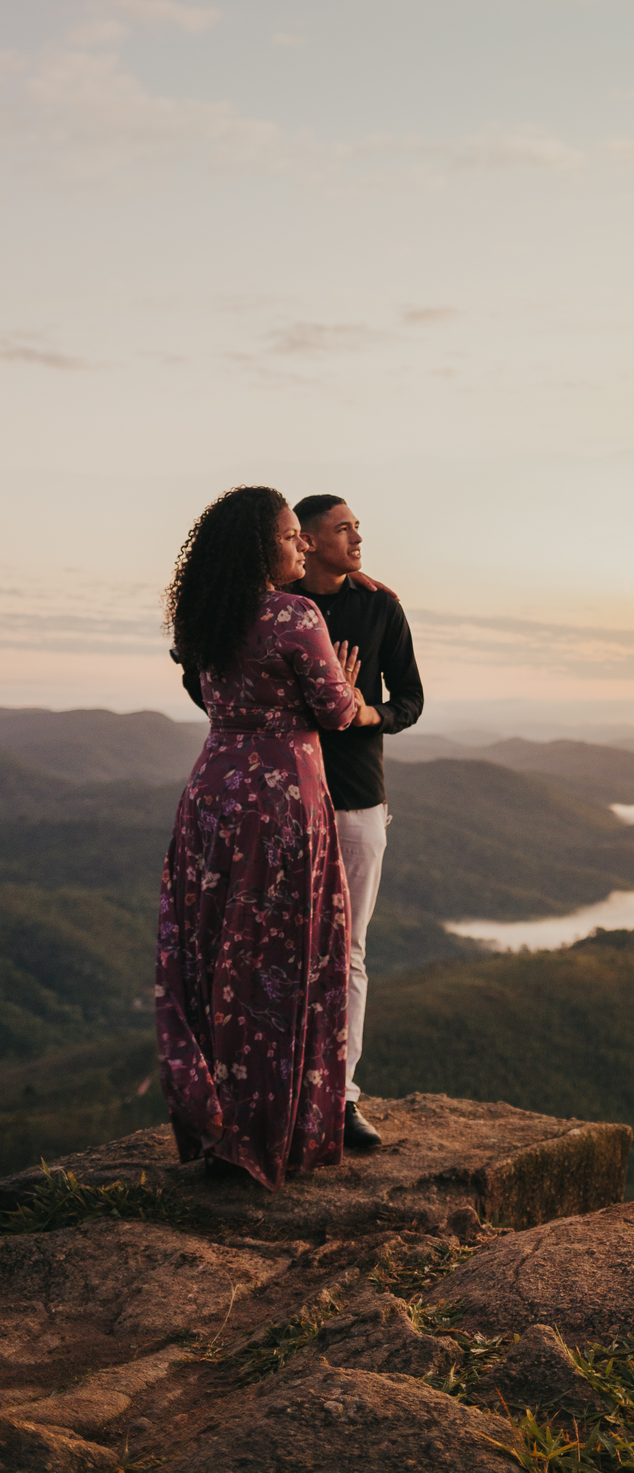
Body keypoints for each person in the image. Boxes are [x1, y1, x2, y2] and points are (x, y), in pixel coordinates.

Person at [157, 486, 360, 1189]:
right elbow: (334, 712)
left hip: (212, 797)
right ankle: (271, 1135)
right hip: (280, 802)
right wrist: (353, 691)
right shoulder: (295, 614)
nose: (301, 543)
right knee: (277, 966)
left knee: (215, 958)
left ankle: (216, 1127)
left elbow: (210, 694)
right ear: (257, 548)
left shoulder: (205, 613)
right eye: (287, 536)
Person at [287, 494, 423, 1152]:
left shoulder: (379, 607)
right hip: (286, 799)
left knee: (349, 952)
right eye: (344, 529)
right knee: (284, 947)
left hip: (357, 801)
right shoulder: (276, 606)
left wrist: (364, 712)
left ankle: (340, 1098)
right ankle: (283, 1092)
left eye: (357, 528)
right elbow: (212, 682)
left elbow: (411, 700)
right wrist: (323, 697)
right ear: (307, 540)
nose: (358, 537)